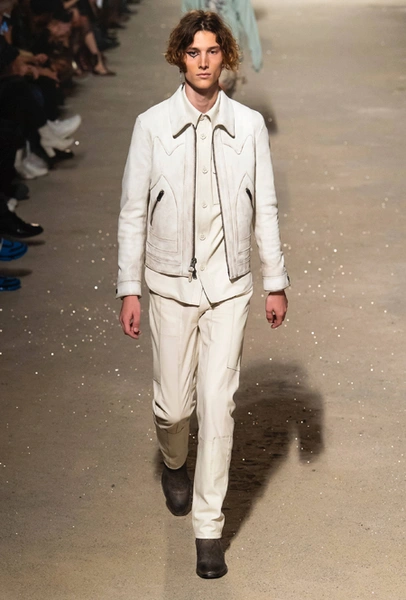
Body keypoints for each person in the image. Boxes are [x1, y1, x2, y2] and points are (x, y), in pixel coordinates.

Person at [117, 10, 289, 579]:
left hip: (229, 287)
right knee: (174, 408)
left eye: (213, 51)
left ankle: (208, 530)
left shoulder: (248, 126)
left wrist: (275, 279)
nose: (204, 62)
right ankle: (174, 461)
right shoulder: (151, 125)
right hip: (169, 285)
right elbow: (132, 213)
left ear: (225, 57)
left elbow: (265, 205)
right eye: (194, 52)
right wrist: (129, 288)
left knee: (218, 408)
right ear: (180, 56)